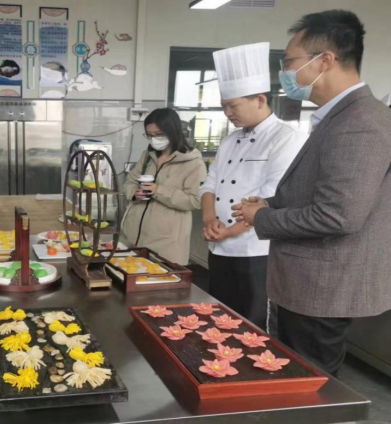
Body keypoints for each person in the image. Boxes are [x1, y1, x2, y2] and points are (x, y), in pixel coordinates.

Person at [233, 10, 391, 376]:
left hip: (322, 287)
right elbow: (319, 192)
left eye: (289, 62)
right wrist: (271, 203)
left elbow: (339, 215)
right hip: (305, 283)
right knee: (293, 376)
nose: (285, 73)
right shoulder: (337, 117)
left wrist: (263, 217)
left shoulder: (361, 122)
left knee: (311, 384)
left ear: (325, 60)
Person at [199, 42, 307, 332]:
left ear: (260, 99)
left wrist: (231, 230)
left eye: (233, 106)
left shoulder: (286, 137)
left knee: (253, 326)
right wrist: (209, 220)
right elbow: (209, 184)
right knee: (219, 320)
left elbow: (273, 197)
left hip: (256, 252)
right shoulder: (229, 140)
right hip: (219, 247)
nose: (227, 113)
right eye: (224, 106)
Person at [121, 108, 207, 265]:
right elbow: (129, 182)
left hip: (167, 243)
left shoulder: (193, 163)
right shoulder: (148, 156)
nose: (154, 139)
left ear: (173, 132)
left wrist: (158, 190)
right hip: (133, 237)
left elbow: (195, 201)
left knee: (159, 278)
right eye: (150, 135)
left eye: (159, 134)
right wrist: (134, 193)